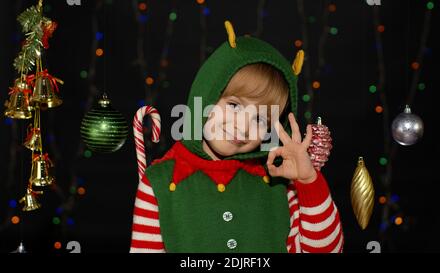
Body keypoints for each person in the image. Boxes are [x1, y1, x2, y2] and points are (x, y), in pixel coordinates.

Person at [130, 21, 343, 253]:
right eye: (233, 105)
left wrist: (308, 182)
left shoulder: (281, 185)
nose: (243, 127)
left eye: (261, 120)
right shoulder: (159, 183)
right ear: (206, 94)